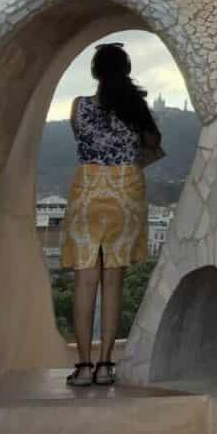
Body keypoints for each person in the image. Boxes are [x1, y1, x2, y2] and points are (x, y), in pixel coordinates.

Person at [60, 43, 164, 386]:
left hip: (88, 191)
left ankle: (84, 365)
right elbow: (153, 145)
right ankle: (106, 364)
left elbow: (83, 139)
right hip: (125, 192)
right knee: (113, 280)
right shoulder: (136, 109)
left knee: (85, 280)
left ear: (95, 72)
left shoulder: (80, 107)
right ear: (127, 70)